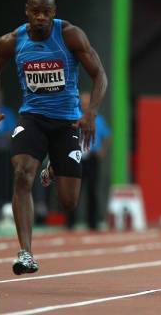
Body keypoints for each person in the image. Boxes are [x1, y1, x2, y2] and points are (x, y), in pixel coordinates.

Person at [0, 0, 107, 274]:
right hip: (33, 118)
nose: (40, 18)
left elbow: (99, 74)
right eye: (35, 12)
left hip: (66, 123)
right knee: (22, 175)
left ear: (54, 12)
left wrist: (91, 112)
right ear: (27, 10)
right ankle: (26, 252)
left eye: (46, 12)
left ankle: (53, 168)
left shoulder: (70, 35)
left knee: (68, 202)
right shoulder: (12, 41)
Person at [65, 91, 111, 231]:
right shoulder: (74, 117)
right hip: (76, 158)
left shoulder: (98, 120)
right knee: (73, 191)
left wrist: (102, 150)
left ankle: (93, 223)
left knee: (92, 191)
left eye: (87, 103)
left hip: (92, 159)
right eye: (83, 103)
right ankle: (71, 222)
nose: (85, 106)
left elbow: (108, 136)